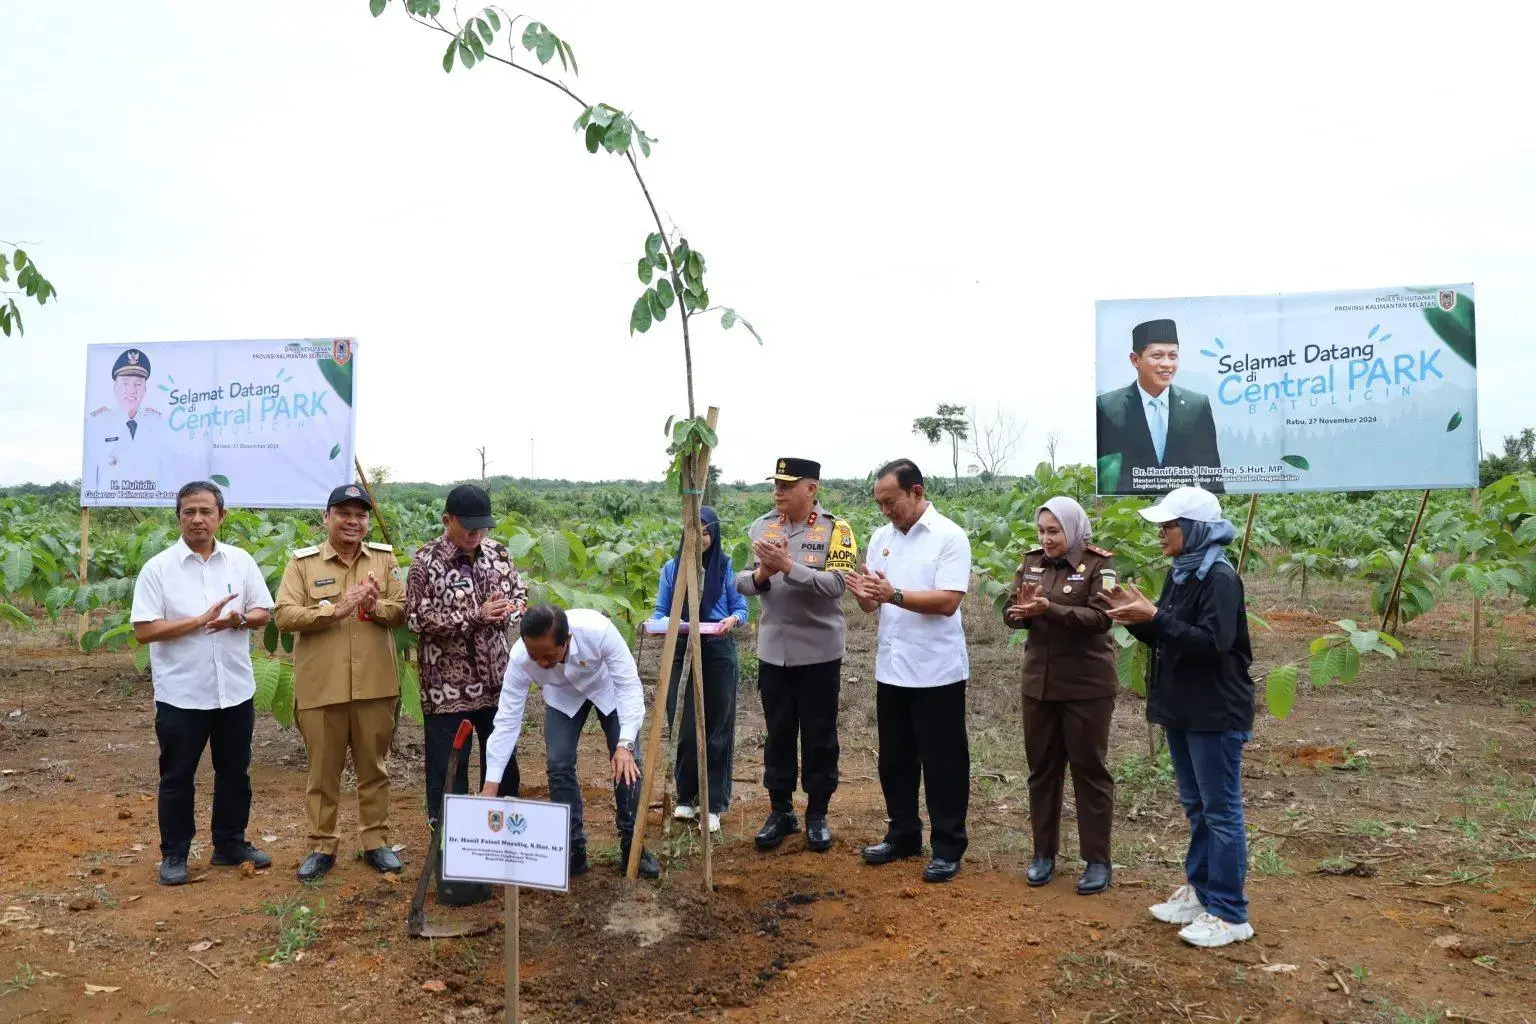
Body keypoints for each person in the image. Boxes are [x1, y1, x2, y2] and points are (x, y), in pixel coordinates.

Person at [1101, 485, 1255, 949]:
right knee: (1197, 806)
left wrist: (1156, 617)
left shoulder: (1220, 578)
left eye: (1169, 526)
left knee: (1221, 811)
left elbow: (1212, 644)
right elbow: (1173, 637)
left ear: (1194, 529)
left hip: (1214, 709)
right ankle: (1201, 891)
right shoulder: (1183, 574)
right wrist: (1141, 621)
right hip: (1184, 707)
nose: (1162, 534)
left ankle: (1230, 913)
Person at [130, 481, 274, 886]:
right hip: (182, 695)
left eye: (206, 511)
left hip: (234, 690)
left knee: (235, 773)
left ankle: (229, 844)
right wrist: (198, 620)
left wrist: (240, 619)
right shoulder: (158, 568)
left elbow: (263, 610)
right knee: (177, 777)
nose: (197, 519)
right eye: (189, 511)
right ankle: (175, 854)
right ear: (178, 517)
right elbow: (144, 630)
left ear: (221, 516)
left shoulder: (241, 562)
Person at [273, 483, 408, 882]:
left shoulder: (384, 561)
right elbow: (283, 615)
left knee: (375, 769)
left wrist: (374, 605)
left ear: (367, 521)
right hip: (322, 686)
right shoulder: (302, 564)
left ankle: (375, 843)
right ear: (326, 518)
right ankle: (321, 845)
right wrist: (333, 610)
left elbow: (400, 611)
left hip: (375, 685)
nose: (353, 521)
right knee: (322, 772)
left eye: (360, 515)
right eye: (344, 513)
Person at [846, 460, 972, 883]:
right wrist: (865, 595)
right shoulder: (881, 538)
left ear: (916, 492)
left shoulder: (949, 537)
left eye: (891, 501)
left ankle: (948, 846)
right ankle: (903, 835)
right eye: (880, 503)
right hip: (892, 668)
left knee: (943, 763)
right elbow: (872, 604)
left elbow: (948, 600)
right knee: (895, 761)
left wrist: (892, 593)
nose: (885, 510)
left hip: (937, 671)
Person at [406, 483, 527, 901]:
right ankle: (454, 867)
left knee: (503, 768)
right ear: (447, 521)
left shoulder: (498, 554)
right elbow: (418, 618)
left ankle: (506, 855)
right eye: (468, 527)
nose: (476, 535)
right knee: (448, 777)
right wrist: (476, 615)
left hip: (496, 684)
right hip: (446, 691)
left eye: (482, 527)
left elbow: (519, 595)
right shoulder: (426, 561)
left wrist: (509, 608)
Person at [482, 605, 661, 879]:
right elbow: (507, 719)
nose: (540, 662)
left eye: (549, 656)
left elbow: (627, 686)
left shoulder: (598, 631)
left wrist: (624, 744)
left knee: (628, 763)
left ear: (567, 641)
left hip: (607, 689)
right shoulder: (520, 658)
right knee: (558, 763)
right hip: (562, 698)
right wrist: (490, 785)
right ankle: (572, 848)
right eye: (534, 655)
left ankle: (632, 845)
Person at [735, 457, 857, 853]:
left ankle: (817, 813)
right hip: (774, 652)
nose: (779, 491)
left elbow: (838, 584)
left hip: (819, 652)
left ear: (812, 489)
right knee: (778, 734)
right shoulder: (762, 525)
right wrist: (762, 576)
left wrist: (788, 566)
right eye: (777, 484)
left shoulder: (836, 530)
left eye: (788, 484)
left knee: (820, 736)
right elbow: (743, 582)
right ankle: (781, 810)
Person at [1002, 496, 1118, 895]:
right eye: (1042, 531)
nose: (1046, 539)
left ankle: (1098, 860)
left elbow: (1101, 619)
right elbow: (1011, 608)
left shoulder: (1101, 565)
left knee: (1089, 770)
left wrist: (1048, 608)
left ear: (1073, 529)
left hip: (1086, 687)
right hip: (1039, 685)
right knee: (1042, 771)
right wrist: (1018, 613)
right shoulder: (1032, 561)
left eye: (1054, 531)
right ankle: (1043, 854)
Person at [649, 506, 749, 834]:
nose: (700, 538)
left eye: (705, 532)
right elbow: (661, 612)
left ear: (714, 535)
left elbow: (741, 608)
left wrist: (731, 621)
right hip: (681, 647)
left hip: (718, 650)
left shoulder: (725, 567)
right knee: (685, 726)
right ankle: (686, 797)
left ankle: (714, 804)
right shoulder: (672, 569)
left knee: (717, 729)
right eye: (694, 532)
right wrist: (672, 623)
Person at [1095, 319, 1224, 494]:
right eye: (1157, 356)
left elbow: (1211, 476)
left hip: (1182, 515)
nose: (1167, 364)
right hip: (1131, 514)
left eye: (1173, 356)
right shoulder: (1108, 407)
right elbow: (1105, 479)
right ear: (1135, 359)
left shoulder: (1197, 405)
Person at [89, 347, 168, 494]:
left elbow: (166, 473)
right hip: (107, 507)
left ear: (145, 388)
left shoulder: (158, 424)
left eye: (138, 384)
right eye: (125, 383)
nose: (132, 390)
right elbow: (90, 475)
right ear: (115, 387)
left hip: (151, 506)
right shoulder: (97, 423)